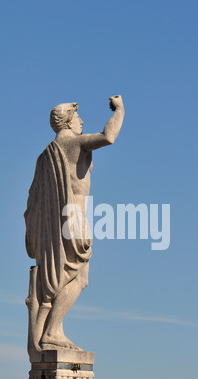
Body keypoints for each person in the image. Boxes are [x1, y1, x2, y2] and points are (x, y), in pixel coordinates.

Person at [24, 95, 125, 355]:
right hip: (75, 219)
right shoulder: (76, 144)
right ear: (68, 122)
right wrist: (120, 110)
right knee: (79, 278)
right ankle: (52, 331)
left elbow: (33, 199)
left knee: (66, 277)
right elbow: (108, 136)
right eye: (78, 118)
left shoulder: (43, 157)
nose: (81, 121)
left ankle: (50, 331)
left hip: (54, 224)